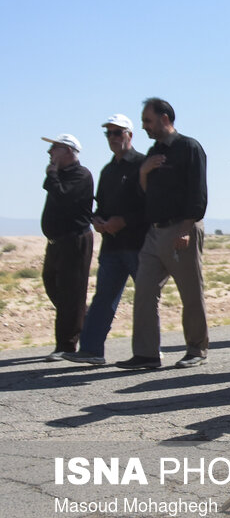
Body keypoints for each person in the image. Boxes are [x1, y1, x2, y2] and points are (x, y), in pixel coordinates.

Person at [115, 98, 208, 370]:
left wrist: (186, 229)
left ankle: (196, 349)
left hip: (182, 228)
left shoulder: (189, 148)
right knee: (144, 291)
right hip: (154, 234)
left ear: (165, 118)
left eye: (147, 121)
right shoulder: (154, 152)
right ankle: (146, 354)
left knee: (190, 292)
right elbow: (145, 196)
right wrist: (143, 172)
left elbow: (198, 195)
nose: (144, 127)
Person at [65, 116, 146, 365]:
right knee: (103, 297)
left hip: (138, 245)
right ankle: (91, 350)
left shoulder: (142, 165)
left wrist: (124, 221)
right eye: (108, 134)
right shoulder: (108, 170)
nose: (112, 138)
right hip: (111, 245)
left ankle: (148, 351)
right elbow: (99, 204)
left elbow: (151, 206)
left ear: (129, 135)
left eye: (117, 133)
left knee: (145, 298)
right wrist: (98, 220)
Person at [40, 134, 93, 362]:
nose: (50, 153)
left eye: (55, 148)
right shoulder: (60, 175)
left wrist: (52, 174)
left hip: (74, 240)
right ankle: (83, 316)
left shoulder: (81, 175)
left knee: (71, 291)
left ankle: (67, 345)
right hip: (56, 242)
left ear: (69, 151)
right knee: (52, 283)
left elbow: (63, 197)